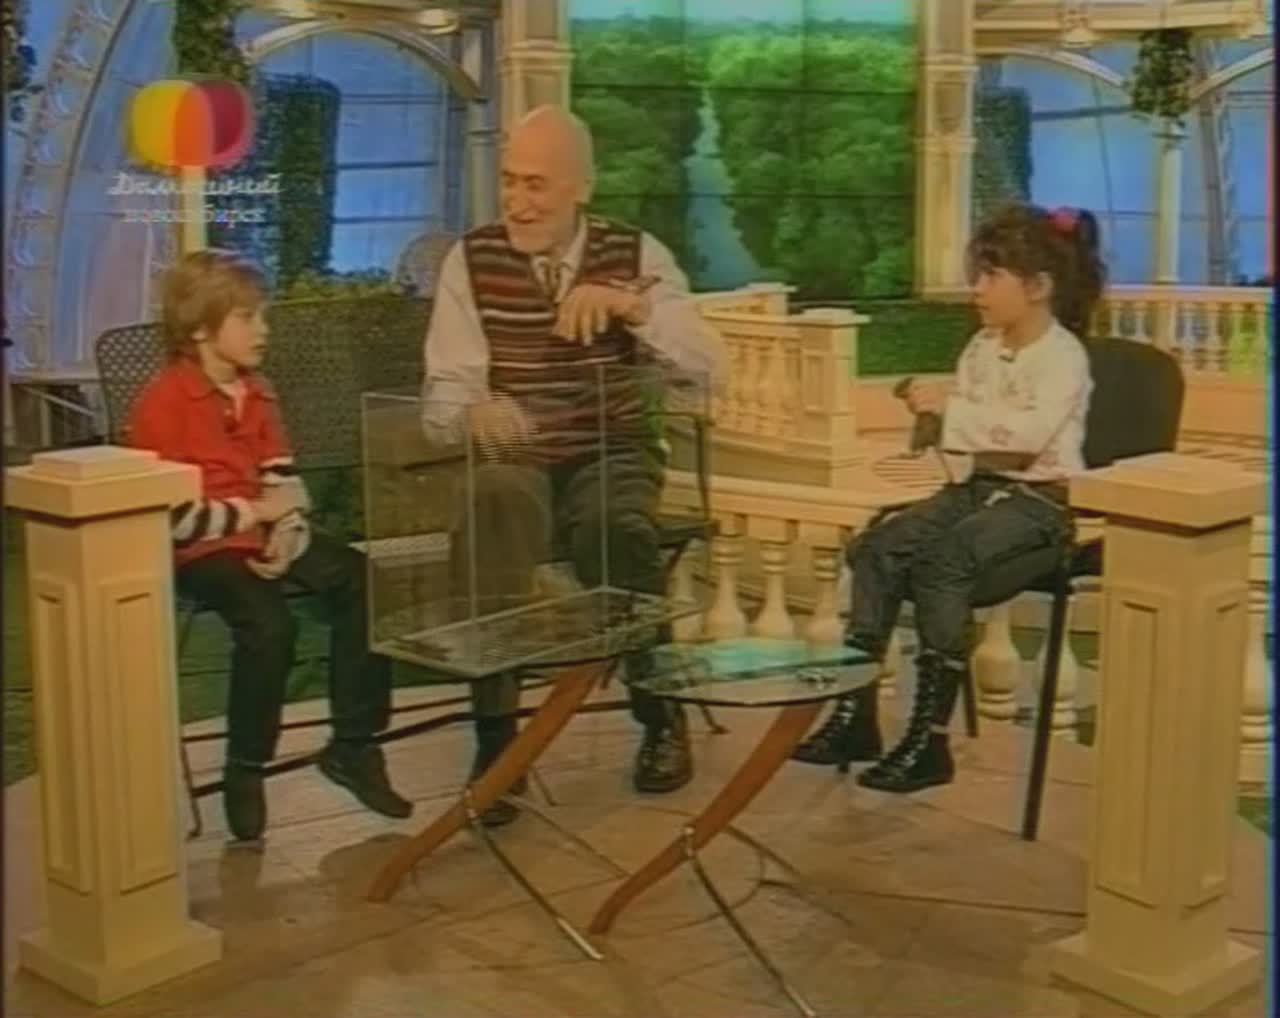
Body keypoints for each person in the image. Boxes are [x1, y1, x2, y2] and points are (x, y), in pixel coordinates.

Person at [421, 105, 726, 823]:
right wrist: (472, 412)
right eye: (509, 182)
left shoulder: (637, 255)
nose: (518, 202)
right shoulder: (471, 260)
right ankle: (497, 743)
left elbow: (712, 369)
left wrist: (630, 308)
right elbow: (443, 401)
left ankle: (660, 714)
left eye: (537, 185)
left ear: (581, 188)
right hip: (517, 455)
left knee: (614, 526)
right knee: (491, 502)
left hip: (609, 447)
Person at [791, 203, 1106, 793]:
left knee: (946, 560)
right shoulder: (982, 347)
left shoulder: (1063, 356)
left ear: (1037, 287)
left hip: (1041, 503)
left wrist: (951, 410)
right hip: (976, 491)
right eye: (977, 274)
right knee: (878, 547)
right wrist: (930, 411)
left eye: (991, 276)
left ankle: (929, 741)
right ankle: (855, 714)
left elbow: (1028, 436)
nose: (977, 289)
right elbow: (965, 437)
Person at [129, 249, 413, 841]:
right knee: (269, 625)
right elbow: (172, 520)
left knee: (362, 580)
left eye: (263, 316)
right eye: (247, 317)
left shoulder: (258, 390)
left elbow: (284, 481)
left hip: (264, 534)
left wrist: (287, 533)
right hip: (203, 549)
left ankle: (355, 745)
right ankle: (246, 767)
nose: (263, 330)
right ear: (201, 328)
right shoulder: (164, 402)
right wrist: (258, 513)